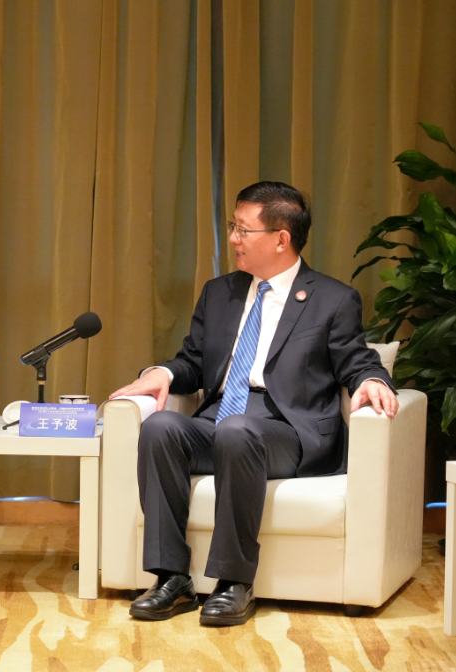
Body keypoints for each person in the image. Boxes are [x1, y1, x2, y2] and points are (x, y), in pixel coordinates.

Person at [110, 181, 398, 627]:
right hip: (222, 420)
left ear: (281, 239)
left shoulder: (332, 299)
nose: (233, 239)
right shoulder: (219, 292)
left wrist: (374, 379)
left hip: (288, 431)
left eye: (243, 230)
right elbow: (193, 361)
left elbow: (356, 361)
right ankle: (171, 577)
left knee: (237, 430)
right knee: (161, 427)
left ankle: (234, 582)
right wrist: (162, 373)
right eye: (233, 226)